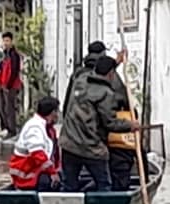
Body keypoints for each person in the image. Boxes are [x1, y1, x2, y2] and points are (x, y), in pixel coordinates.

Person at [60, 56, 141, 192]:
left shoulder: (80, 80)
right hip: (92, 148)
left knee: (69, 187)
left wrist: (116, 62)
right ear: (111, 74)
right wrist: (130, 125)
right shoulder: (106, 93)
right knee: (104, 185)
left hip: (68, 143)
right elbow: (110, 123)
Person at [9, 97, 61, 192]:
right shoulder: (34, 127)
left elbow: (53, 154)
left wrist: (57, 170)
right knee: (49, 183)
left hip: (36, 172)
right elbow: (38, 154)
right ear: (52, 112)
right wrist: (53, 173)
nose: (58, 115)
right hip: (28, 175)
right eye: (57, 112)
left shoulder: (47, 128)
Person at [0, 31, 23, 138]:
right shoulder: (3, 54)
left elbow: (14, 71)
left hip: (11, 86)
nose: (5, 43)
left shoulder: (14, 55)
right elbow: (0, 68)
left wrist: (8, 85)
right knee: (1, 107)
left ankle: (12, 130)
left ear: (11, 41)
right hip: (3, 85)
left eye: (7, 41)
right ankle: (6, 127)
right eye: (4, 41)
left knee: (9, 108)